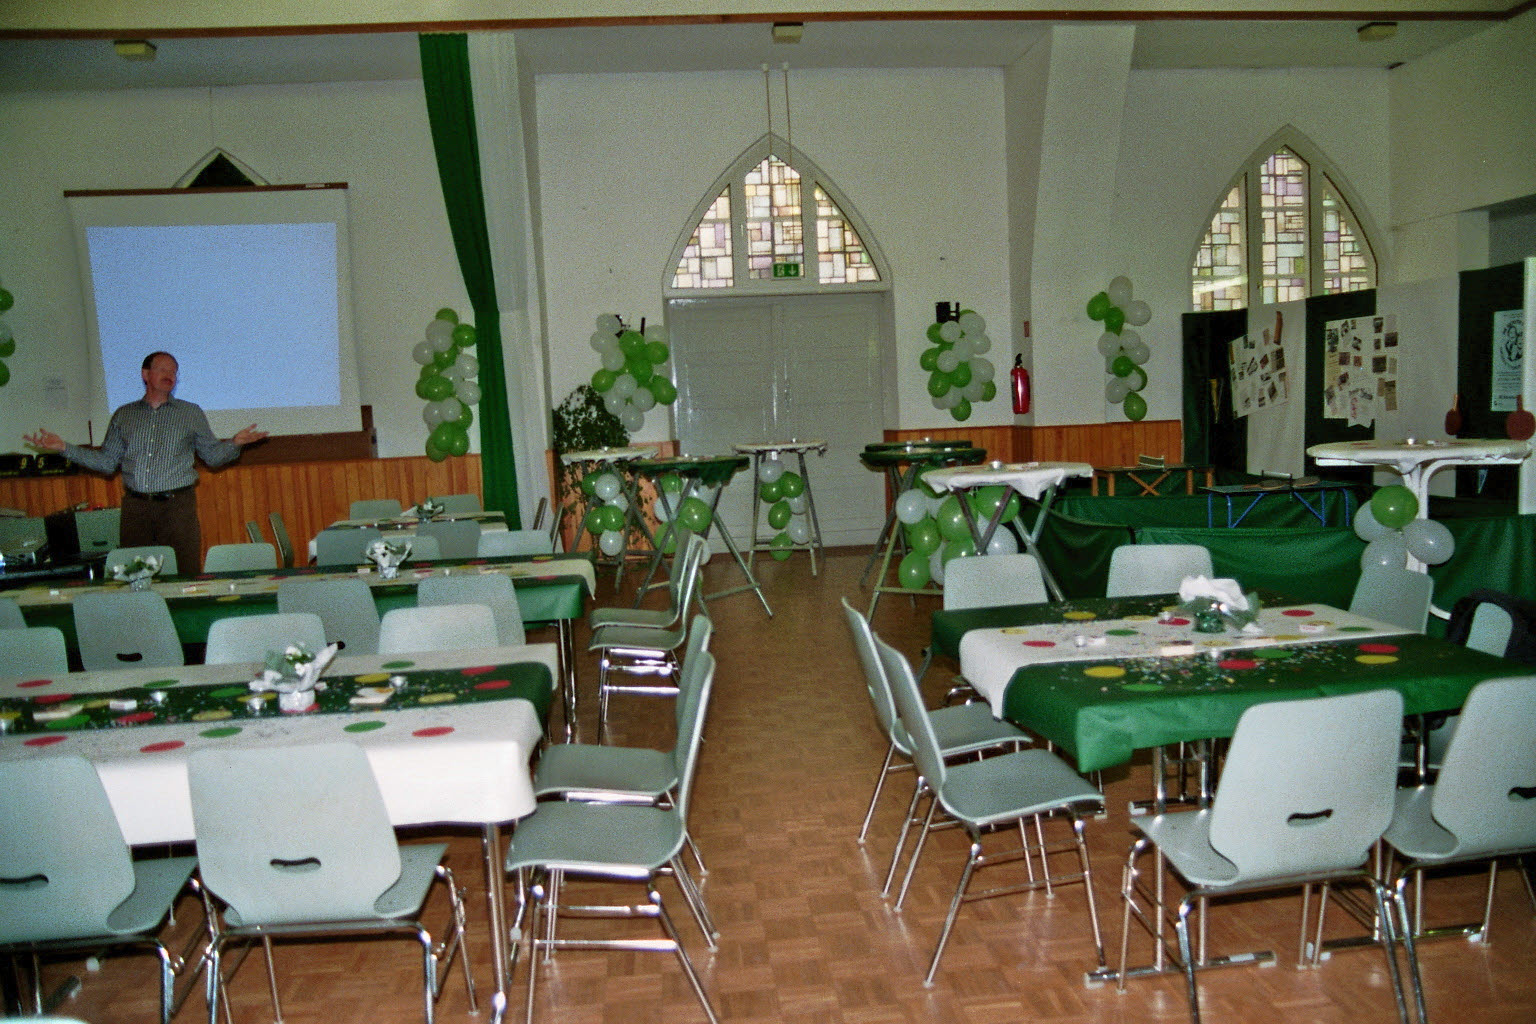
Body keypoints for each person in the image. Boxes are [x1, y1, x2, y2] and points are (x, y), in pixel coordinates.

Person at [24, 351, 267, 575]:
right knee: (136, 574)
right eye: (163, 369)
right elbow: (107, 463)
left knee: (184, 573)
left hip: (178, 508)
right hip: (136, 509)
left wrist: (234, 443)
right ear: (145, 374)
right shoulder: (124, 415)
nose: (169, 375)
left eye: (174, 371)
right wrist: (65, 448)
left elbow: (212, 457)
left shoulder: (190, 413)